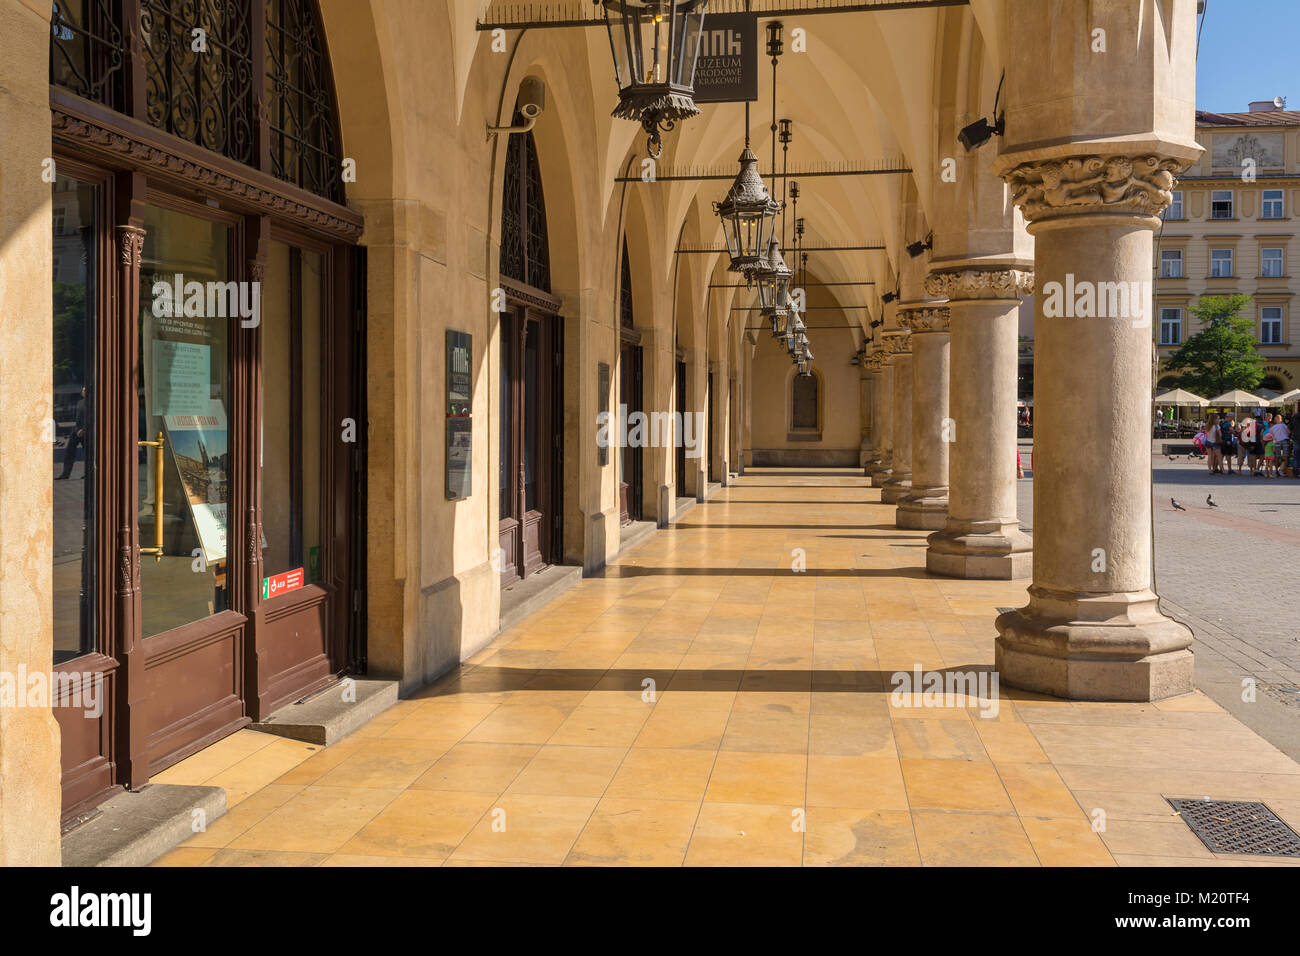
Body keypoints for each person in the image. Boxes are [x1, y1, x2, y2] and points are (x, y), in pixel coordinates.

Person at [57, 386, 87, 480]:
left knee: (88, 454)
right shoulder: (80, 402)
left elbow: (92, 417)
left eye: (85, 390)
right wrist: (77, 429)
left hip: (86, 431)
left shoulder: (92, 403)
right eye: (83, 390)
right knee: (69, 451)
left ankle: (88, 473)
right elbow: (77, 417)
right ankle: (65, 474)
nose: (83, 391)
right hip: (77, 430)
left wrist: (84, 429)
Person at [1264, 413, 1290, 478]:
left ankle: (1276, 471)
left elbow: (1268, 436)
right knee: (1286, 456)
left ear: (1276, 420)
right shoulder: (1284, 425)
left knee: (1277, 456)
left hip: (1277, 441)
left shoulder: (1272, 428)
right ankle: (1285, 471)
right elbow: (1288, 432)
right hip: (1285, 440)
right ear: (1281, 419)